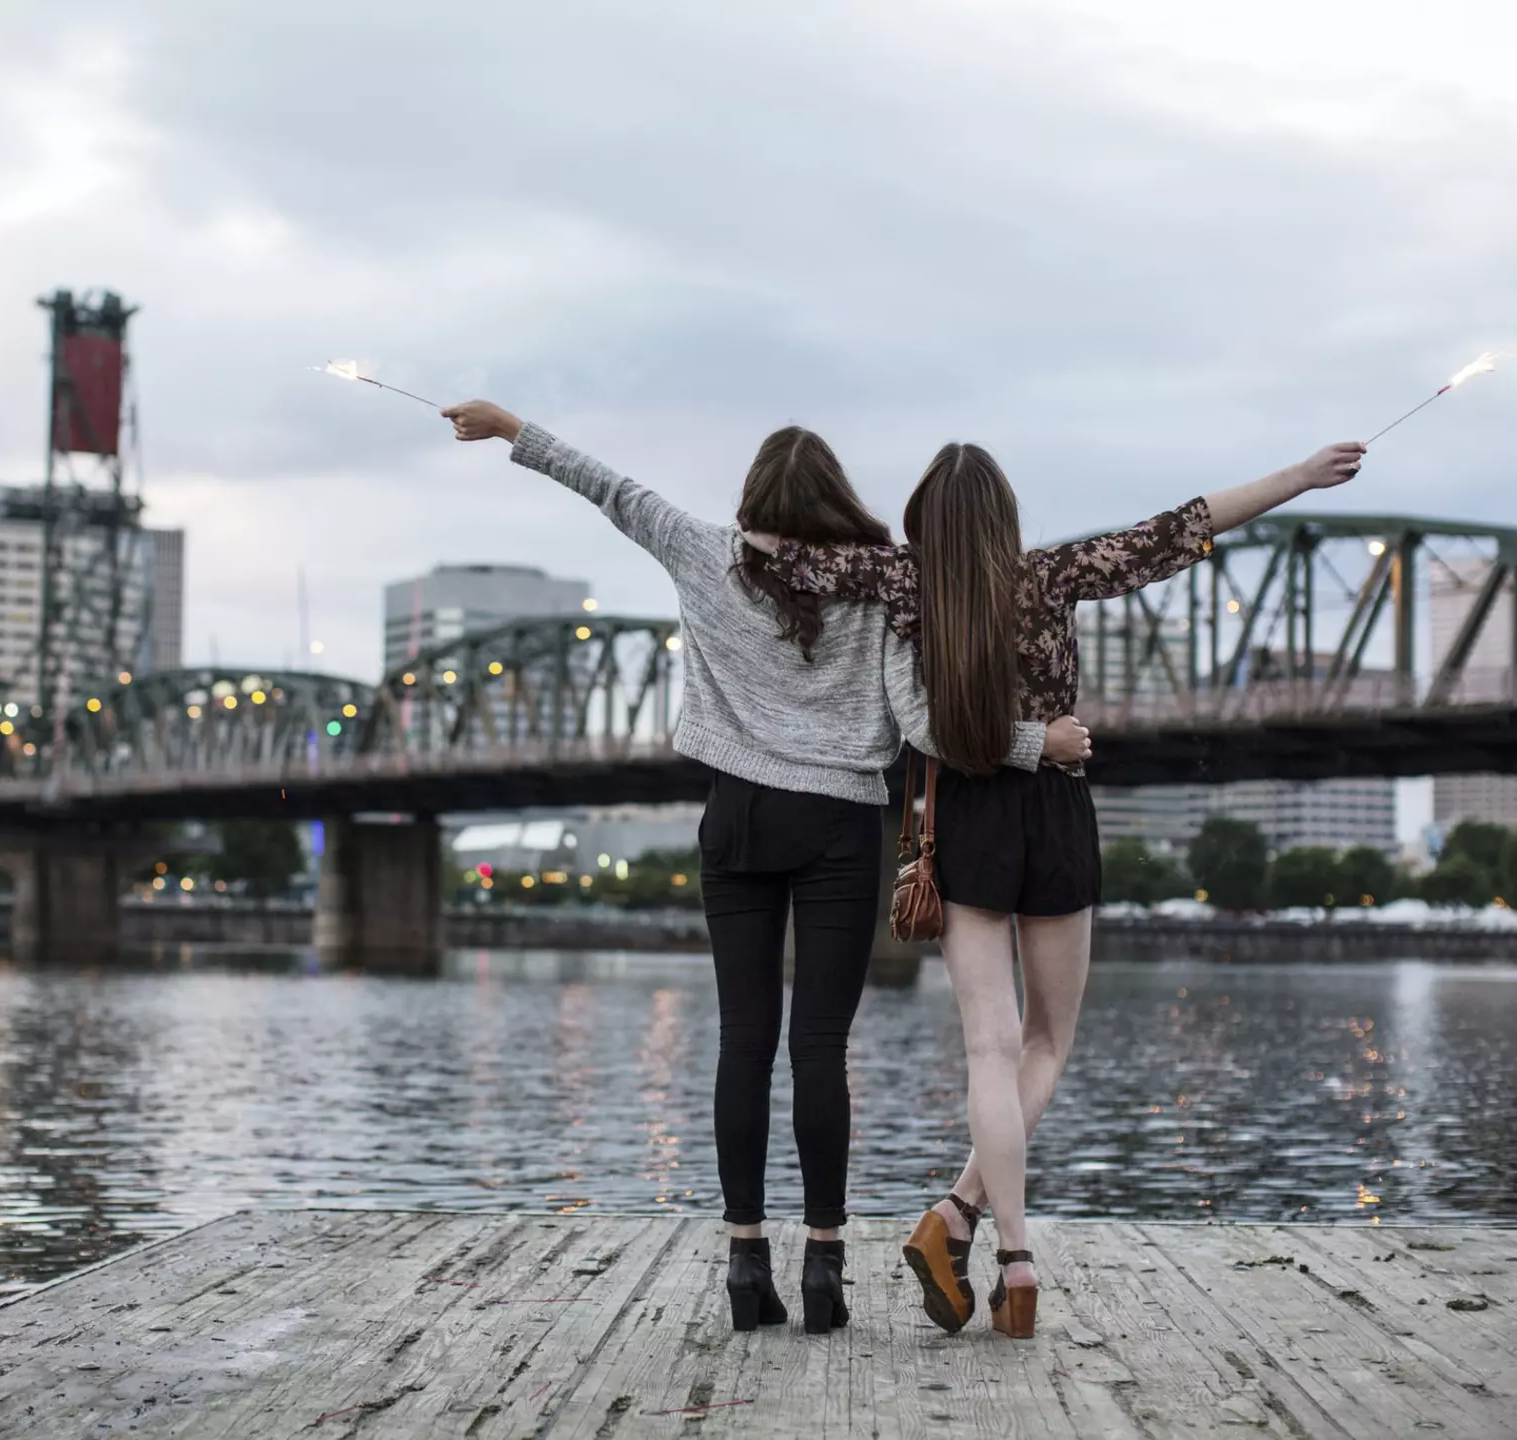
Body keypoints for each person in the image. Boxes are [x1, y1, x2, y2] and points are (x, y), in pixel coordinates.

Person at [439, 399, 1091, 1335]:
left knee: (743, 1040)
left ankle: (747, 1262)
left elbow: (607, 487)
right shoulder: (875, 588)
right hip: (838, 824)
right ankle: (825, 1265)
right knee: (818, 1048)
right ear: (836, 502)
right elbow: (921, 728)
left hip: (736, 818)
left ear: (750, 497)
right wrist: (1035, 744)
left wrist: (511, 430)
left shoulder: (703, 552)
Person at [744, 435, 1366, 1338]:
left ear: (924, 521)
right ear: (1003, 517)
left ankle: (998, 1243)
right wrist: (1298, 478)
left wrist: (726, 533)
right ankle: (977, 1234)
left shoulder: (899, 584)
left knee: (988, 1050)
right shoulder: (1052, 573)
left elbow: (775, 551)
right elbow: (1177, 530)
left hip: (966, 820)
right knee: (1045, 1043)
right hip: (1056, 814)